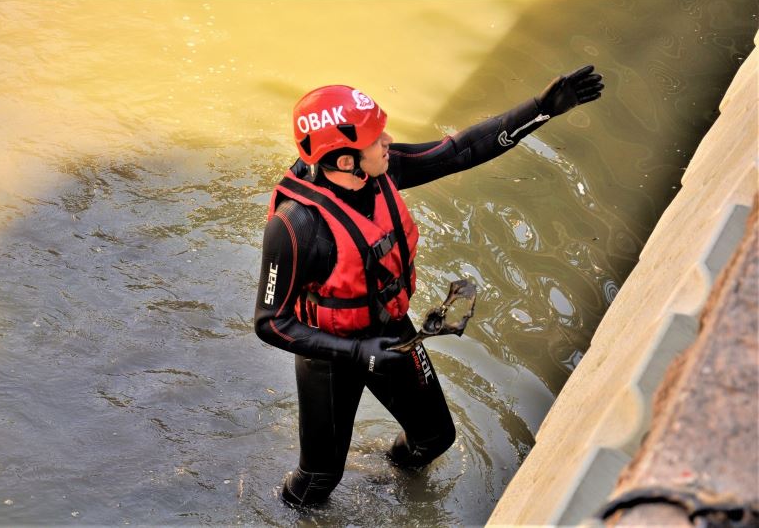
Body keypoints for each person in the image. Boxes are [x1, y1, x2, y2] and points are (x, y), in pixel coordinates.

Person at [254, 66, 604, 507]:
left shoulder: (381, 170)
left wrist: (540, 111)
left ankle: (390, 487)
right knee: (321, 477)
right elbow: (270, 323)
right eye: (376, 140)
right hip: (329, 355)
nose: (388, 143)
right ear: (345, 161)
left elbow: (459, 150)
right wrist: (359, 354)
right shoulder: (295, 226)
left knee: (435, 438)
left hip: (391, 334)